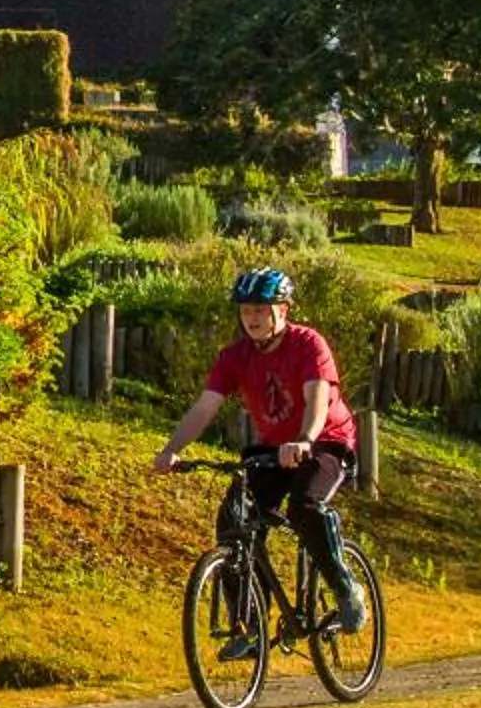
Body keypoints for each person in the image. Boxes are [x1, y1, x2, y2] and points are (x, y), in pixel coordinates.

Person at [151, 266, 370, 634]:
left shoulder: (308, 345)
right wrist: (172, 448)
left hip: (327, 440)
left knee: (305, 505)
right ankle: (250, 628)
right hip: (274, 448)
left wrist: (304, 439)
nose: (251, 318)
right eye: (245, 310)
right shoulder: (234, 357)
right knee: (233, 522)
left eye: (260, 310)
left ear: (282, 310)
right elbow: (205, 407)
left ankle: (345, 588)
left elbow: (316, 400)